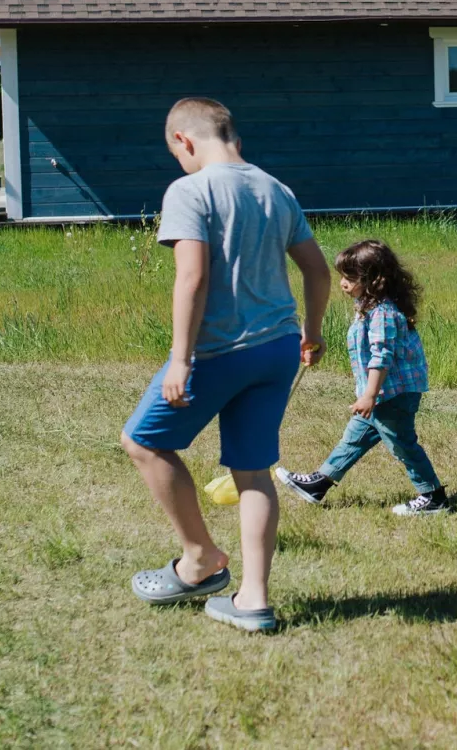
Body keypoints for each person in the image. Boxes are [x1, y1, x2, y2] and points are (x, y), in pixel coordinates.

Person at [121, 97, 331, 633]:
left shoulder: (189, 190)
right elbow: (317, 270)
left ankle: (199, 560)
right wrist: (312, 332)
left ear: (183, 141)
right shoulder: (276, 190)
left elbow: (191, 278)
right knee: (253, 470)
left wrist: (179, 359)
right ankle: (253, 601)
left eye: (177, 154)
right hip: (278, 349)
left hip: (219, 351)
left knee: (144, 442)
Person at [276, 239, 451, 516]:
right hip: (383, 392)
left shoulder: (383, 313)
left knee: (402, 443)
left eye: (350, 277)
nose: (343, 283)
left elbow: (382, 356)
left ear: (374, 280)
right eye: (342, 276)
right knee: (354, 438)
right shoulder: (370, 308)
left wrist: (369, 395)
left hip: (392, 393)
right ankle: (320, 483)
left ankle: (433, 496)